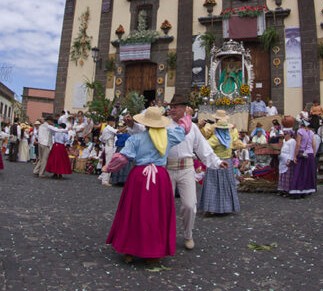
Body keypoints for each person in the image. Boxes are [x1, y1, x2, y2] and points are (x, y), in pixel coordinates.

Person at [103, 107, 186, 263]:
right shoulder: (168, 136)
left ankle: (129, 249)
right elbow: (183, 131)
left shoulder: (136, 139)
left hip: (139, 177)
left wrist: (109, 168)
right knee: (156, 213)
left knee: (134, 211)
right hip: (159, 178)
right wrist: (185, 116)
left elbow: (122, 158)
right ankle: (154, 252)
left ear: (145, 123)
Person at [166, 92, 225, 250]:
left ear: (184, 109)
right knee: (165, 205)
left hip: (186, 168)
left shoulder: (192, 127)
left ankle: (188, 234)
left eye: (176, 107)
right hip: (167, 168)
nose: (172, 109)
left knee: (190, 205)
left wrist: (217, 162)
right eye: (171, 107)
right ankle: (164, 235)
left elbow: (203, 148)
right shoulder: (164, 125)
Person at [200, 110, 245, 214]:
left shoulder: (216, 138)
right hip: (227, 163)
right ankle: (226, 207)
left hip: (216, 162)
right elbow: (235, 142)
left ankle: (212, 208)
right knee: (226, 185)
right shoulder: (228, 137)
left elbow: (205, 146)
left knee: (213, 186)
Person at [289, 119, 317, 198]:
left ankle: (298, 190)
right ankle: (306, 190)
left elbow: (298, 144)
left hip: (302, 153)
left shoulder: (300, 131)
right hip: (310, 154)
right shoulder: (311, 133)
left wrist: (295, 155)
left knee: (299, 172)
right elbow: (314, 145)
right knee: (308, 173)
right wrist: (313, 154)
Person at [97, 117, 118, 186]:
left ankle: (102, 176)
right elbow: (117, 131)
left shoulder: (105, 128)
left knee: (107, 161)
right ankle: (105, 181)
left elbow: (101, 138)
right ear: (110, 122)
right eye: (113, 121)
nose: (114, 123)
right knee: (109, 162)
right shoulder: (109, 128)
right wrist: (125, 127)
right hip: (110, 145)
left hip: (107, 145)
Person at [277, 129, 296, 196]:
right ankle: (282, 189)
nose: (284, 136)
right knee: (282, 175)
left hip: (287, 159)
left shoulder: (292, 141)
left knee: (287, 176)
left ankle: (287, 190)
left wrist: (289, 160)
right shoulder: (285, 142)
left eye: (285, 134)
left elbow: (292, 151)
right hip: (282, 160)